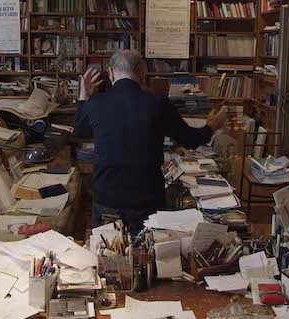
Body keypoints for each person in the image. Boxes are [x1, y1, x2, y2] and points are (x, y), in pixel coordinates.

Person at [74, 49, 228, 231]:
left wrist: (84, 94)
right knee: (147, 247)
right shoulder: (158, 103)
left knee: (107, 247)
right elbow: (190, 140)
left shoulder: (96, 102)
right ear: (142, 74)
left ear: (110, 73)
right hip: (146, 199)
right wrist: (211, 126)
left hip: (108, 198)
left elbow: (81, 131)